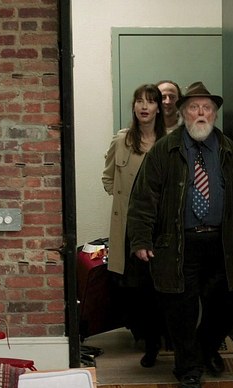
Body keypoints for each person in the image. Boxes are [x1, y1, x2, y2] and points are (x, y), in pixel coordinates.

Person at [126, 81, 233, 388]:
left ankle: (206, 349)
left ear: (214, 114)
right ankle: (189, 369)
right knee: (181, 311)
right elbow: (144, 198)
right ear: (182, 113)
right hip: (179, 244)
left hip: (222, 243)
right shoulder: (165, 149)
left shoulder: (228, 147)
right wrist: (141, 240)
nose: (201, 113)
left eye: (207, 108)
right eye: (194, 107)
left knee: (228, 301)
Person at [101, 83, 166, 368]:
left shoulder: (169, 142)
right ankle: (148, 341)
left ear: (158, 108)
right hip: (128, 227)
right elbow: (108, 177)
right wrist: (122, 200)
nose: (144, 106)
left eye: (150, 101)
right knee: (134, 289)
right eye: (139, 101)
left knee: (160, 287)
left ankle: (160, 339)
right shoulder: (122, 140)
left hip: (160, 228)